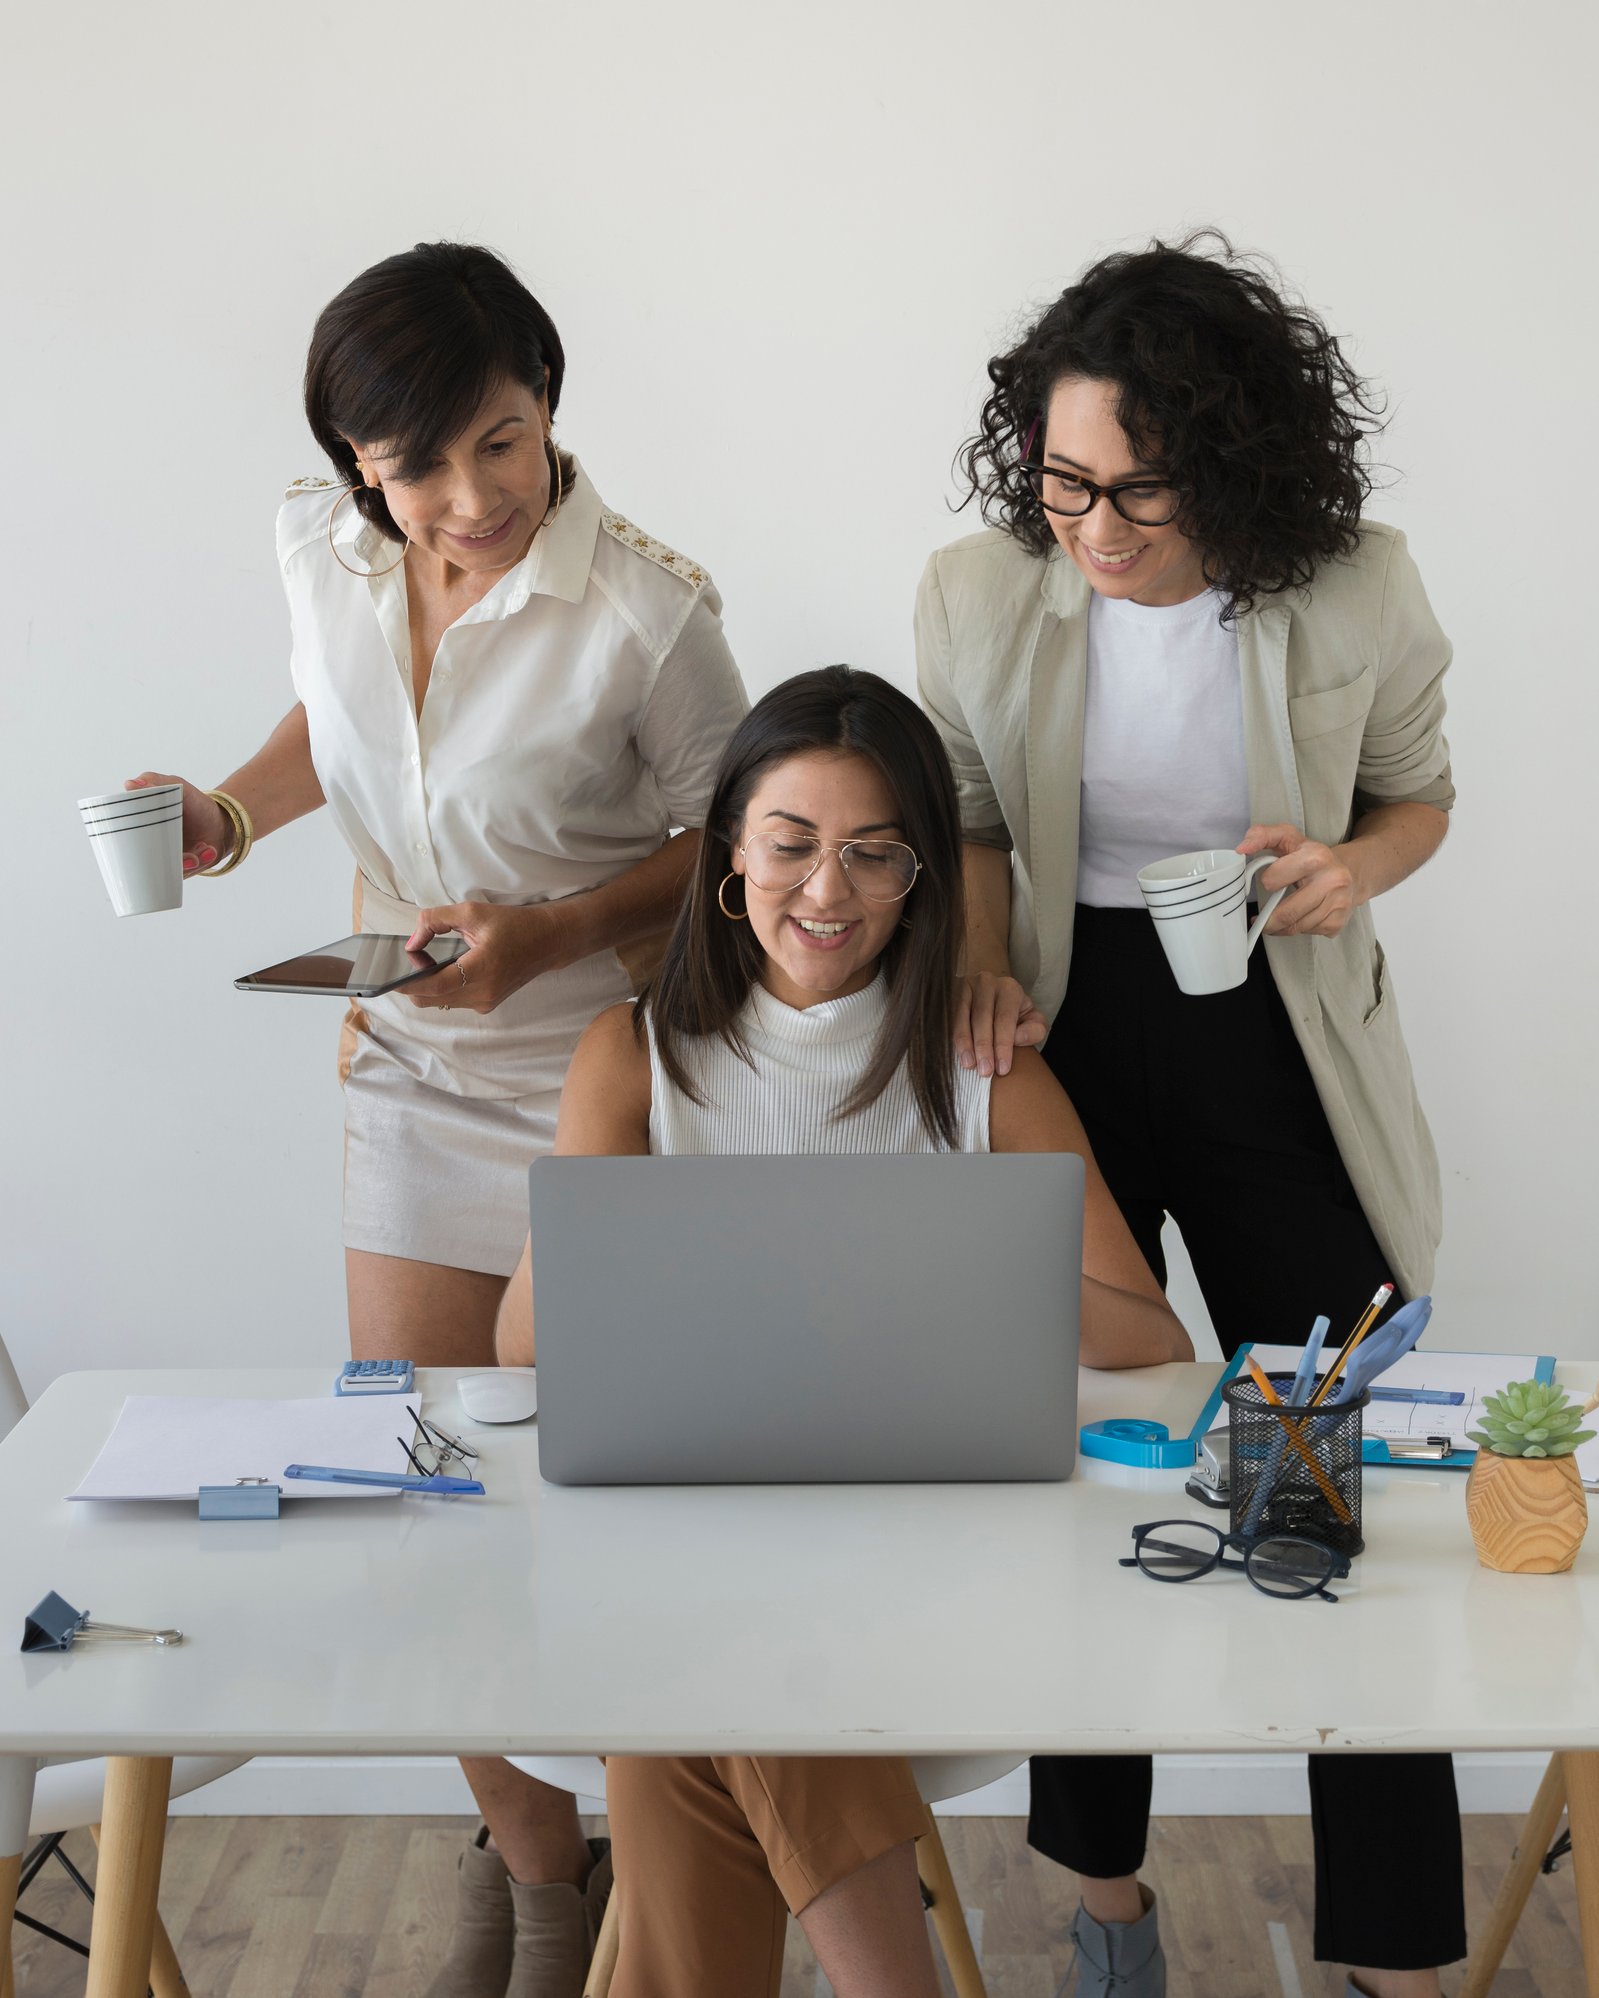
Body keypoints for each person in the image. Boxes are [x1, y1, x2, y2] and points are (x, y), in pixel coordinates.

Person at [127, 242, 749, 1998]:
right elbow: (338, 728)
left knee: (578, 1496)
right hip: (406, 1066)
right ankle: (540, 1874)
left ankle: (648, 1883)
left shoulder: (645, 608)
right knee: (412, 1501)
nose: (468, 499)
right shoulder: (317, 551)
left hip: (599, 1077)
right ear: (355, 467)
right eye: (416, 467)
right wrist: (225, 820)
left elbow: (736, 842)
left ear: (550, 407)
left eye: (502, 441)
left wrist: (549, 933)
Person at [917, 232, 1461, 1998]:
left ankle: (1385, 1954)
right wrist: (986, 969)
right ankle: (1109, 1906)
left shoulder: (1358, 588)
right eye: (1065, 483)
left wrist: (1346, 867)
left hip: (1277, 1026)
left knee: (1315, 1481)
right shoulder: (978, 593)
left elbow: (1418, 798)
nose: (1095, 529)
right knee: (1097, 1463)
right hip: (1075, 1032)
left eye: (1140, 493)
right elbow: (978, 817)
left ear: (1237, 467)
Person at [496, 665, 1192, 1998]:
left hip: (933, 1577)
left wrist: (950, 1268)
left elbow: (1148, 1336)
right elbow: (528, 1347)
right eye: (793, 845)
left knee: (684, 1692)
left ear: (923, 873)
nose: (828, 891)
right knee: (704, 1661)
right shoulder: (629, 1055)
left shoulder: (986, 1065)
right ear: (728, 858)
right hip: (684, 1560)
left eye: (875, 853)